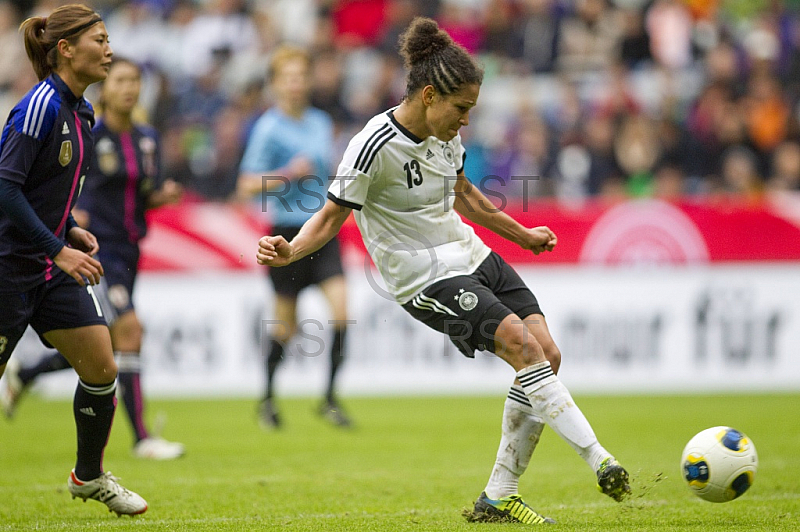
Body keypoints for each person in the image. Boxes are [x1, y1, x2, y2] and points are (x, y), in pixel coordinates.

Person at [256, 17, 631, 524]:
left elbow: (464, 197)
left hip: (468, 252)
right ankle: (600, 459)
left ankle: (499, 494)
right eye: (462, 109)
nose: (465, 122)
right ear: (430, 95)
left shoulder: (445, 133)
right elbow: (329, 217)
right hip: (422, 275)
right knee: (522, 345)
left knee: (548, 354)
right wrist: (291, 251)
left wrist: (524, 236)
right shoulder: (372, 145)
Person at [0, 4, 147, 516]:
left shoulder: (83, 111)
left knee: (101, 365)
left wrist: (69, 231)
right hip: (9, 267)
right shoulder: (40, 106)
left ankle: (89, 476)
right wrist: (58, 247)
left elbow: (43, 192)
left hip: (46, 262)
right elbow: (6, 188)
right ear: (66, 49)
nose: (109, 49)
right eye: (99, 39)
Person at [1, 57, 185, 460]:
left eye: (135, 81)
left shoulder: (146, 139)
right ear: (106, 87)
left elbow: (140, 195)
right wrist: (71, 219)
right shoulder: (88, 130)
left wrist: (160, 197)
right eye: (121, 80)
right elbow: (65, 183)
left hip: (130, 248)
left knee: (109, 343)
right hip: (93, 250)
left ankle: (29, 373)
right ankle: (141, 438)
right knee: (130, 331)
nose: (129, 88)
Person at [237, 45, 351, 429]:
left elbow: (326, 173)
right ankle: (268, 398)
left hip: (322, 228)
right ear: (276, 84)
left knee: (342, 312)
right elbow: (248, 185)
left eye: (302, 76)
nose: (296, 84)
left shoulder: (320, 122)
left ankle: (330, 398)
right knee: (286, 325)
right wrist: (286, 174)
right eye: (289, 78)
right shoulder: (268, 127)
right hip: (285, 233)